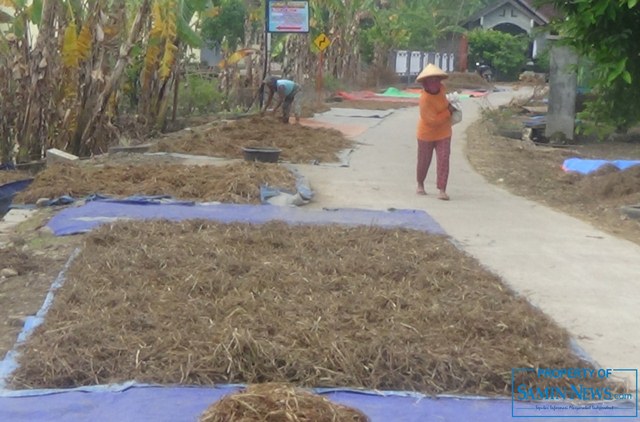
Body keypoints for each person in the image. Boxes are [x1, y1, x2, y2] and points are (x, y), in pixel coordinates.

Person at [415, 63, 456, 200]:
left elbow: (447, 102)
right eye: (431, 80)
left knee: (444, 160)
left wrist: (452, 105)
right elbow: (432, 121)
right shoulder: (425, 100)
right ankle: (420, 183)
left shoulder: (443, 90)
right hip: (426, 134)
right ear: (425, 84)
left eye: (437, 80)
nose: (435, 83)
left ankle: (442, 189)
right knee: (424, 160)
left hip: (444, 132)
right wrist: (448, 111)